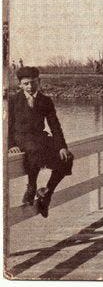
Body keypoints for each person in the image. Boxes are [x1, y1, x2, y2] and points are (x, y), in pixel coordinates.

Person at [7, 67, 74, 218]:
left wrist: (62, 147)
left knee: (67, 158)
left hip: (40, 137)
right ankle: (32, 186)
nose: (30, 87)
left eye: (33, 83)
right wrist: (11, 145)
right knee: (34, 149)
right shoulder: (13, 101)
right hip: (21, 139)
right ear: (20, 85)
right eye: (26, 84)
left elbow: (55, 126)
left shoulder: (45, 101)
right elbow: (7, 127)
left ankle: (47, 193)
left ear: (39, 82)